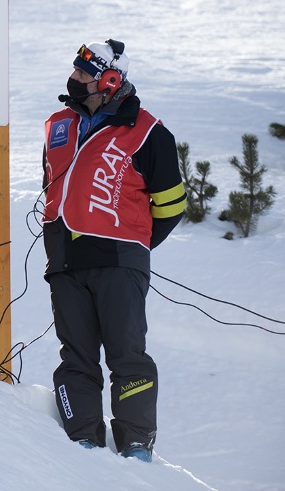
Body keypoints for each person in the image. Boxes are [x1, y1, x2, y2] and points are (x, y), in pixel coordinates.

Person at [41, 39, 187, 462]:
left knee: (126, 355)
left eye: (84, 74)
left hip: (120, 261)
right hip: (65, 261)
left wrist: (132, 245)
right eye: (75, 71)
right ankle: (83, 442)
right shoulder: (57, 125)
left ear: (110, 79)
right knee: (76, 357)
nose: (74, 78)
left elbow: (172, 206)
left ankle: (136, 446)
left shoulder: (149, 132)